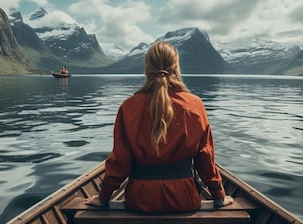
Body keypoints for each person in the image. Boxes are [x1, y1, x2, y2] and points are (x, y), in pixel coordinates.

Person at [84, 41, 233, 212]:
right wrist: (219, 196)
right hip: (184, 199)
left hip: (140, 199)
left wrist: (103, 198)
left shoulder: (128, 106)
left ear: (147, 67)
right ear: (176, 67)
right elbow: (205, 159)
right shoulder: (195, 104)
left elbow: (120, 161)